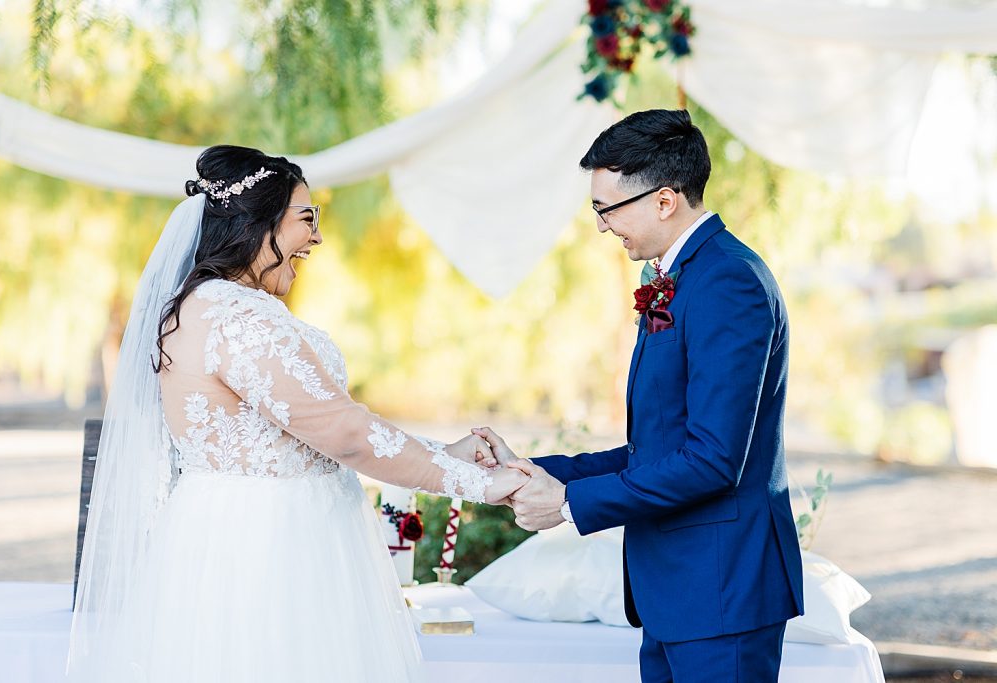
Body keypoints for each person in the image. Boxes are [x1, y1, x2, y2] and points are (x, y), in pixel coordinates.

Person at [66, 145, 527, 682]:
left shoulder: (203, 305)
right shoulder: (238, 314)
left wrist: (437, 453)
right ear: (259, 222)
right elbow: (345, 434)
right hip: (268, 548)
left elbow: (316, 428)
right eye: (306, 219)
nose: (317, 237)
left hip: (232, 533)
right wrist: (481, 483)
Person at [475, 109, 805, 682]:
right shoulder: (683, 278)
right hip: (678, 595)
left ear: (664, 200)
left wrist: (570, 506)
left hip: (720, 592)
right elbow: (654, 448)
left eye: (607, 209)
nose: (601, 225)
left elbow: (712, 460)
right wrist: (538, 472)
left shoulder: (728, 281)